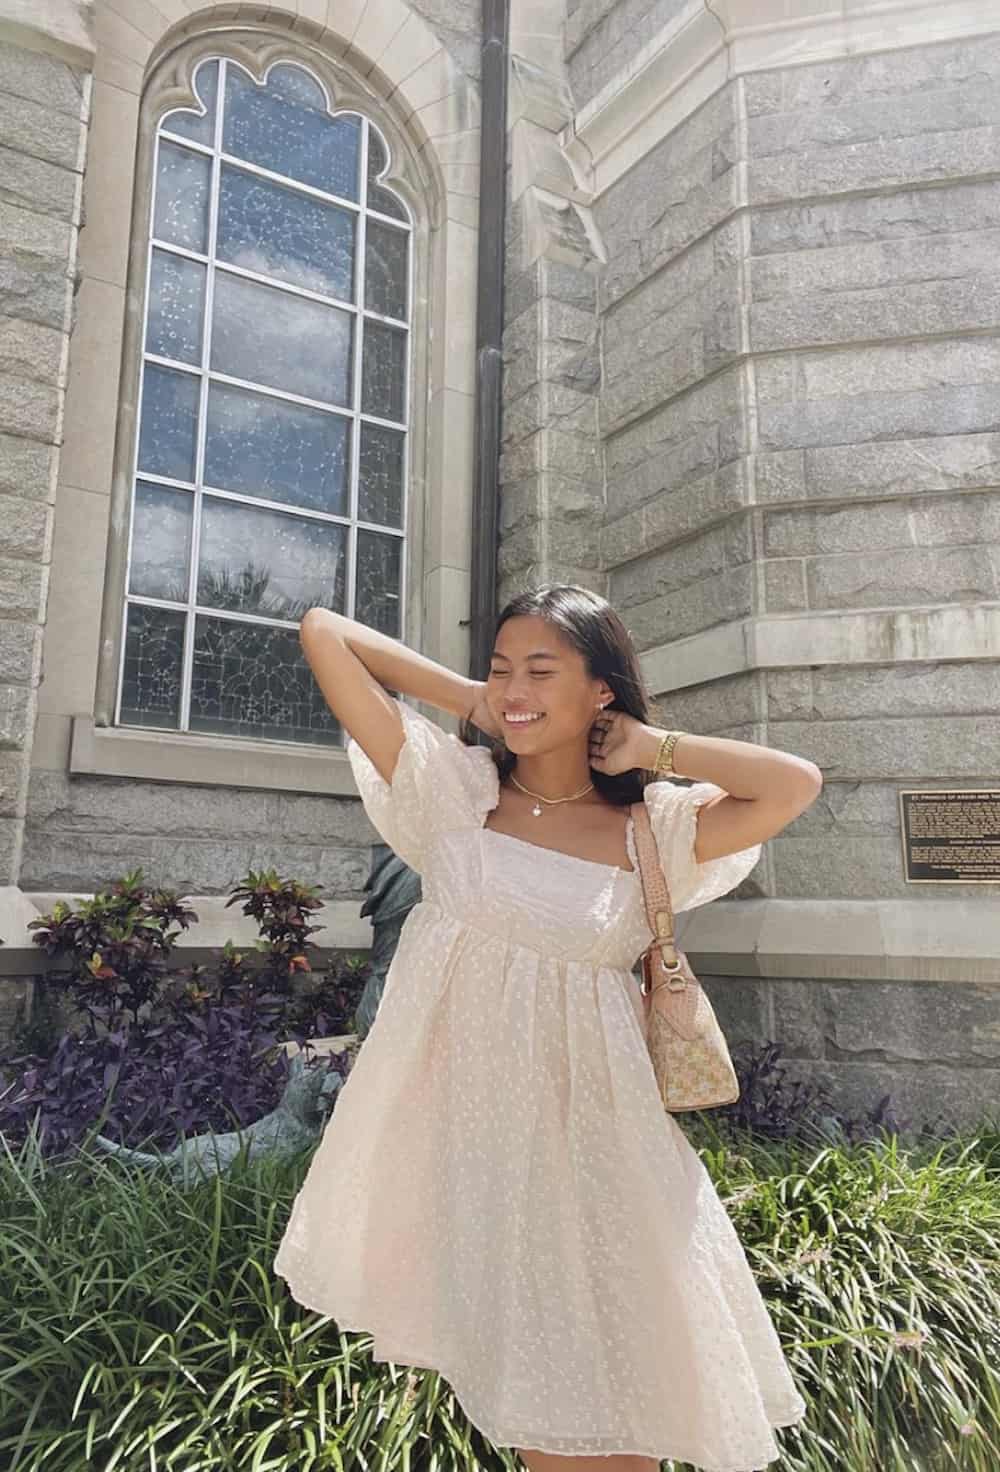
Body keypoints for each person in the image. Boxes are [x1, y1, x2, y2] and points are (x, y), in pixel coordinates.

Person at [274, 584, 819, 1472]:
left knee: (628, 1406)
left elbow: (796, 784)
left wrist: (655, 748)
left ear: (603, 688)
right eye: (502, 666)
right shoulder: (453, 794)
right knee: (551, 1411)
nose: (515, 687)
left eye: (541, 669)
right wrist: (472, 699)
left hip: (607, 1157)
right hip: (483, 1154)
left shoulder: (654, 829)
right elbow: (326, 634)